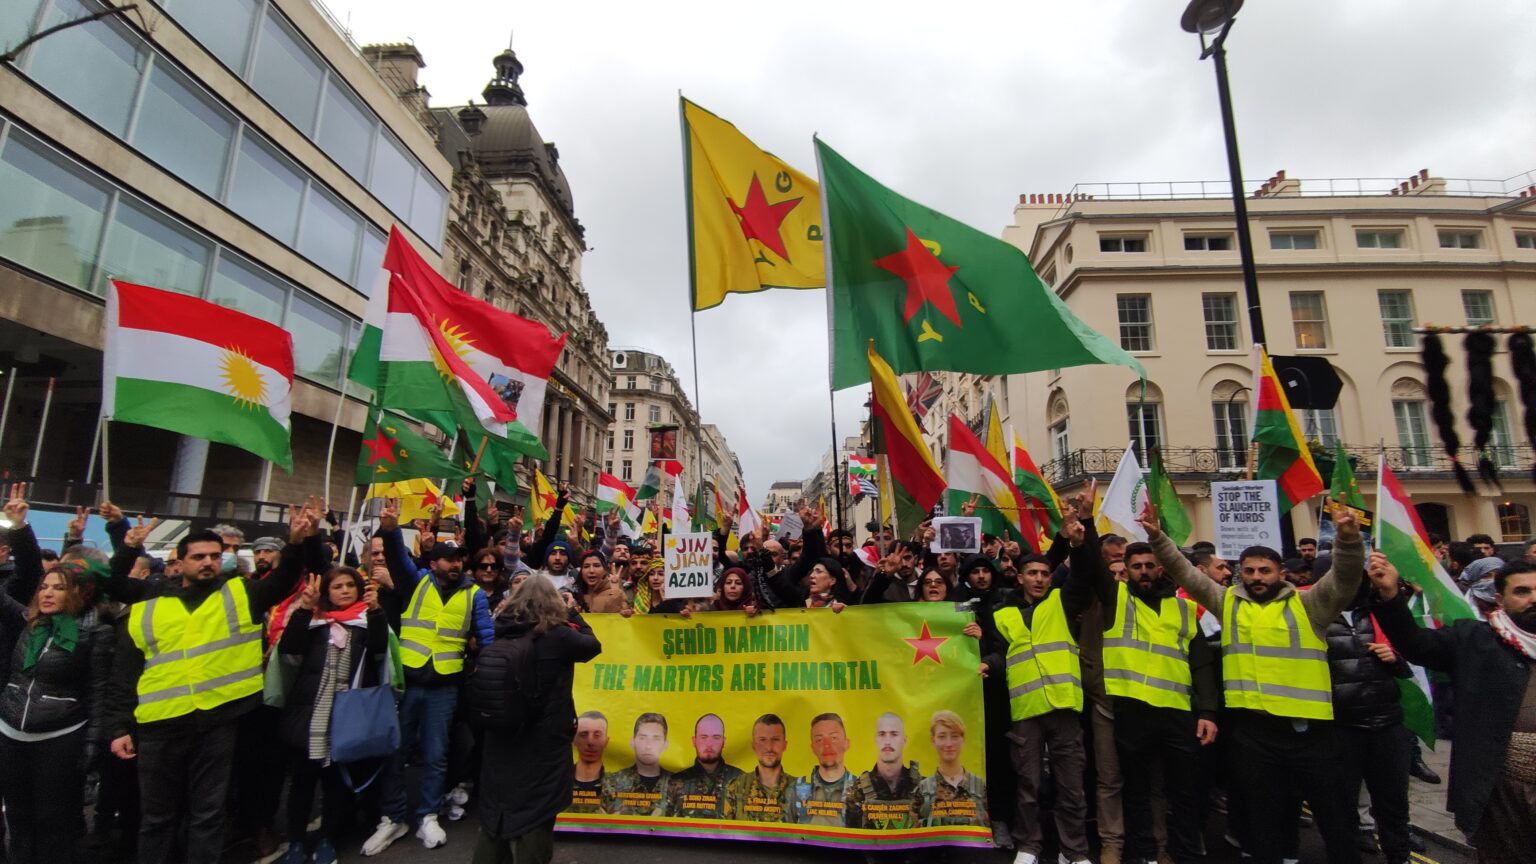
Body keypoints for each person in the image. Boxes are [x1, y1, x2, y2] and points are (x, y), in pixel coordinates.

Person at [1142, 499, 1365, 864]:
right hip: (1254, 735)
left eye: (1265, 570)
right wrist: (1156, 537)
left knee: (1337, 821)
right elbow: (1184, 573)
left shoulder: (1311, 606)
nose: (1257, 577)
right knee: (1264, 824)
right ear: (1239, 572)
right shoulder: (1227, 602)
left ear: (1281, 572)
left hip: (1311, 734)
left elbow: (1345, 577)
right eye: (1249, 570)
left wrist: (1349, 539)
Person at [103, 501, 321, 864]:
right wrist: (127, 546)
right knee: (156, 819)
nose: (208, 562)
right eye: (199, 556)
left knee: (208, 815)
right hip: (159, 725)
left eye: (215, 556)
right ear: (181, 561)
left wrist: (296, 542)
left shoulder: (240, 594)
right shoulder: (152, 597)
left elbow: (284, 580)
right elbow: (122, 661)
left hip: (217, 723)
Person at [1367, 556, 1536, 862]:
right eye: (1522, 592)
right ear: (1500, 599)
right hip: (1502, 788)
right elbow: (1415, 644)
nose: (1534, 599)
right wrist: (1391, 596)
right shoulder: (1473, 639)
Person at [365, 498, 495, 855]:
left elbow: (487, 637)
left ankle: (427, 815)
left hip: (444, 687)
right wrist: (390, 530)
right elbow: (397, 559)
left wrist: (492, 668)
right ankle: (392, 818)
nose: (455, 564)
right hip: (406, 684)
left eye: (459, 559)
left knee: (437, 754)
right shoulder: (415, 582)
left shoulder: (474, 596)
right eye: (448, 559)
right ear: (434, 561)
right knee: (396, 751)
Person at [0, 487, 114, 864]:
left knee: (53, 821)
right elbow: (27, 572)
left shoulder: (93, 632)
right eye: (44, 587)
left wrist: (92, 746)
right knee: (18, 819)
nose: (47, 592)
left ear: (77, 594)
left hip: (59, 739)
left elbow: (98, 694)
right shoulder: (27, 623)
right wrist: (17, 528)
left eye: (58, 588)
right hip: (11, 734)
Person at [1092, 538, 1221, 864]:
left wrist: (1207, 711)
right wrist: (1086, 530)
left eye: (1150, 565)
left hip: (1177, 712)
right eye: (1136, 566)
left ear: (1162, 567)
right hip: (1132, 711)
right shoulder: (1116, 598)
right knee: (1136, 790)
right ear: (1128, 569)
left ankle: (1184, 852)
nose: (1144, 572)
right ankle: (1145, 854)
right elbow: (1088, 571)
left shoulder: (1185, 608)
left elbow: (1201, 663)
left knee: (1183, 791)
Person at [981, 504, 1096, 864]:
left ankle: (1073, 850)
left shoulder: (1062, 602)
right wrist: (987, 663)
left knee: (1071, 787)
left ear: (1052, 577)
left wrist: (1079, 536)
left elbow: (1087, 572)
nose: (1039, 579)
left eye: (1045, 573)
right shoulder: (1004, 614)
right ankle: (1029, 845)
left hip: (1063, 707)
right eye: (1031, 573)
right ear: (1020, 578)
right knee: (1028, 786)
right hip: (1026, 710)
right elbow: (1002, 653)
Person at [473, 576, 601, 864]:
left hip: (501, 740)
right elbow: (593, 645)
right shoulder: (559, 636)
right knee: (536, 814)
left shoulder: (502, 630)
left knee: (497, 814)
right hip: (544, 743)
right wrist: (573, 611)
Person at [277, 567, 388, 864]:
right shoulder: (314, 622)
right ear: (326, 592)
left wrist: (376, 610)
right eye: (337, 586)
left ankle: (328, 839)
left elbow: (380, 648)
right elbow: (289, 648)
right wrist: (304, 608)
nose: (344, 590)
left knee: (336, 785)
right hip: (309, 715)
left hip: (345, 716)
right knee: (302, 784)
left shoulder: (366, 622)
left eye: (350, 585)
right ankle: (297, 843)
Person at [1323, 579, 1414, 864]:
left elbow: (1412, 664)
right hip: (1341, 728)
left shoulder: (1380, 614)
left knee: (1394, 804)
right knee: (1341, 807)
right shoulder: (1314, 617)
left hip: (1387, 723)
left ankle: (1399, 856)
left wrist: (1395, 659)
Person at [845, 712, 924, 829]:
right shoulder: (856, 793)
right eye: (882, 734)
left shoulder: (923, 789)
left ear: (904, 740)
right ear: (876, 739)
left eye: (894, 734)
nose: (887, 741)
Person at [916, 710, 989, 828]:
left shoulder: (981, 787)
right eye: (942, 737)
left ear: (963, 739)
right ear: (933, 740)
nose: (949, 743)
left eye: (954, 736)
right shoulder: (922, 790)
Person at [666, 713, 744, 817]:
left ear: (723, 741)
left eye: (716, 737)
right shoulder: (675, 782)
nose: (709, 744)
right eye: (704, 737)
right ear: (694, 741)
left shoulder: (741, 781)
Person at [724, 713, 794, 822]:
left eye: (775, 739)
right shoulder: (735, 787)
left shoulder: (799, 791)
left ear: (785, 745)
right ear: (754, 745)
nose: (769, 747)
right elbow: (725, 835)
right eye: (762, 740)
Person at [789, 712, 855, 825]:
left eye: (833, 738)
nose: (827, 745)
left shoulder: (861, 790)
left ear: (846, 743)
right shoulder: (796, 789)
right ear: (812, 748)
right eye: (819, 740)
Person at [600, 712, 672, 815]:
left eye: (656, 739)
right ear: (632, 742)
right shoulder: (610, 783)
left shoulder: (678, 784)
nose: (648, 746)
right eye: (642, 738)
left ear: (665, 744)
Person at [570, 711, 609, 813]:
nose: (590, 742)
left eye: (597, 735)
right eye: (583, 735)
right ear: (574, 740)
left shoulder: (618, 785)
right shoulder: (558, 782)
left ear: (606, 741)